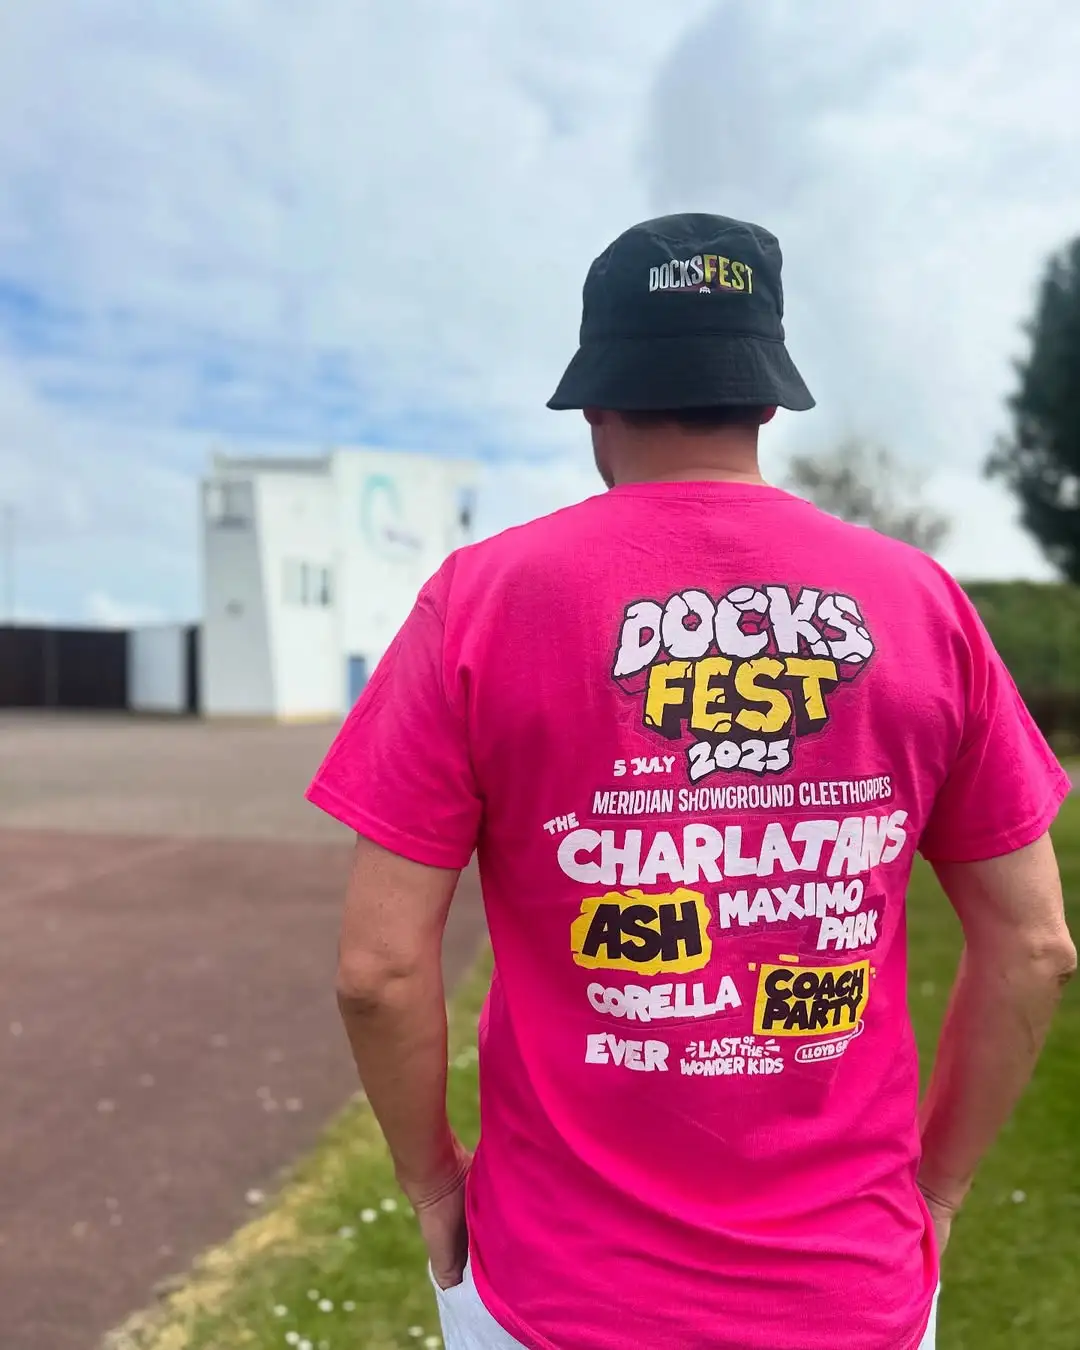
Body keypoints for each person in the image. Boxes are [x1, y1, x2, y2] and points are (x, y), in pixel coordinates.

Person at [306, 213, 1076, 1350]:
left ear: (594, 405)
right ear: (766, 400)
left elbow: (378, 971)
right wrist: (943, 1191)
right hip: (850, 1289)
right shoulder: (921, 606)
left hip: (556, 1294)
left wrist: (432, 1187)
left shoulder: (481, 599)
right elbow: (1035, 946)